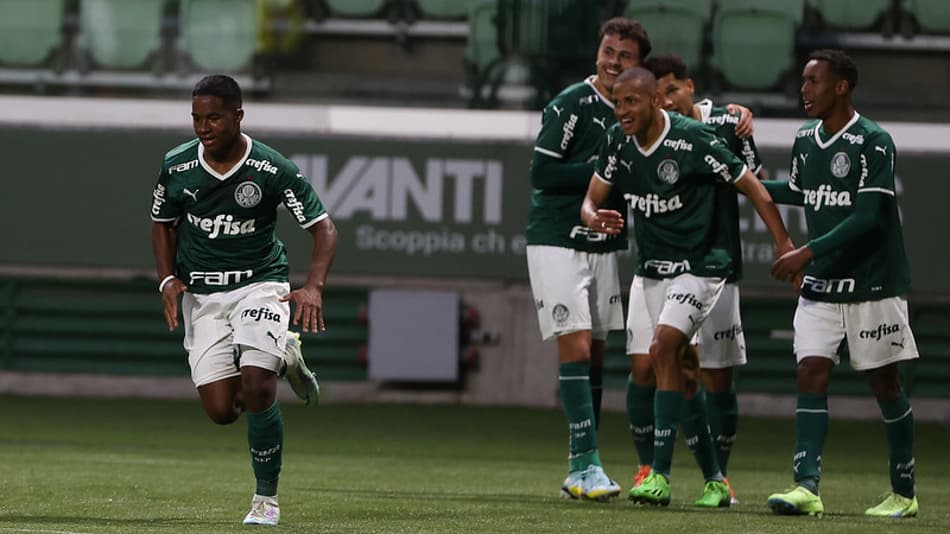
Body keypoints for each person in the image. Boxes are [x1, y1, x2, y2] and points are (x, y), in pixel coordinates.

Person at [581, 67, 794, 508]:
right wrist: (591, 217)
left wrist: (784, 243)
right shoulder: (617, 142)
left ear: (655, 101)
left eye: (632, 102)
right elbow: (591, 198)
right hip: (651, 269)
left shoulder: (692, 140)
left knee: (664, 350)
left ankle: (658, 474)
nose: (622, 111)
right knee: (674, 370)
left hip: (700, 266)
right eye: (618, 103)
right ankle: (715, 480)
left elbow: (751, 185)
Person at [149, 74, 338, 526]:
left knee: (256, 385)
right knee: (221, 411)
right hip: (204, 296)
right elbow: (161, 222)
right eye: (196, 117)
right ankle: (284, 354)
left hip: (261, 284)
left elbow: (324, 227)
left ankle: (265, 500)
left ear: (238, 116)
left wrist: (312, 287)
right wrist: (167, 280)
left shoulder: (273, 169)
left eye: (213, 117)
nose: (203, 127)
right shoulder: (176, 166)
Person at [765, 49, 919, 518]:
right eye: (803, 81)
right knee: (811, 370)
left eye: (813, 82)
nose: (803, 90)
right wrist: (742, 181)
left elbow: (868, 217)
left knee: (883, 380)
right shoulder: (805, 139)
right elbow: (798, 191)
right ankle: (806, 486)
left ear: (841, 87)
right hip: (823, 283)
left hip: (873, 281)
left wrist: (803, 253)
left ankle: (904, 492)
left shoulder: (874, 141)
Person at [632, 53, 768, 504]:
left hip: (717, 267)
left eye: (673, 90)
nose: (667, 101)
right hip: (665, 267)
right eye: (660, 93)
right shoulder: (643, 131)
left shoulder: (728, 124)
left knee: (717, 376)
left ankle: (719, 476)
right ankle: (658, 470)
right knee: (669, 359)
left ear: (690, 87)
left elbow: (756, 180)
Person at [526, 16, 651, 502]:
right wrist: (606, 170)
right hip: (557, 236)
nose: (612, 61)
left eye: (624, 56)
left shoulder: (635, 109)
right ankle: (586, 464)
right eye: (608, 51)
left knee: (596, 353)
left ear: (639, 67)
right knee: (575, 345)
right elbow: (541, 173)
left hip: (602, 242)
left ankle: (580, 465)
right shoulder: (572, 103)